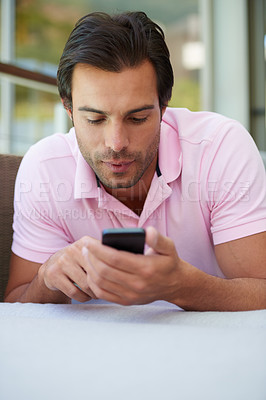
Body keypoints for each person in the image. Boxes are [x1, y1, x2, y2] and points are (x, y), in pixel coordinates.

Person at [4, 11, 266, 310]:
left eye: (138, 118)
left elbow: (262, 290)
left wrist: (181, 286)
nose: (116, 143)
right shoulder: (45, 169)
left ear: (164, 106)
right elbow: (16, 306)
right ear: (69, 110)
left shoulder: (220, 147)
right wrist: (46, 279)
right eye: (94, 119)